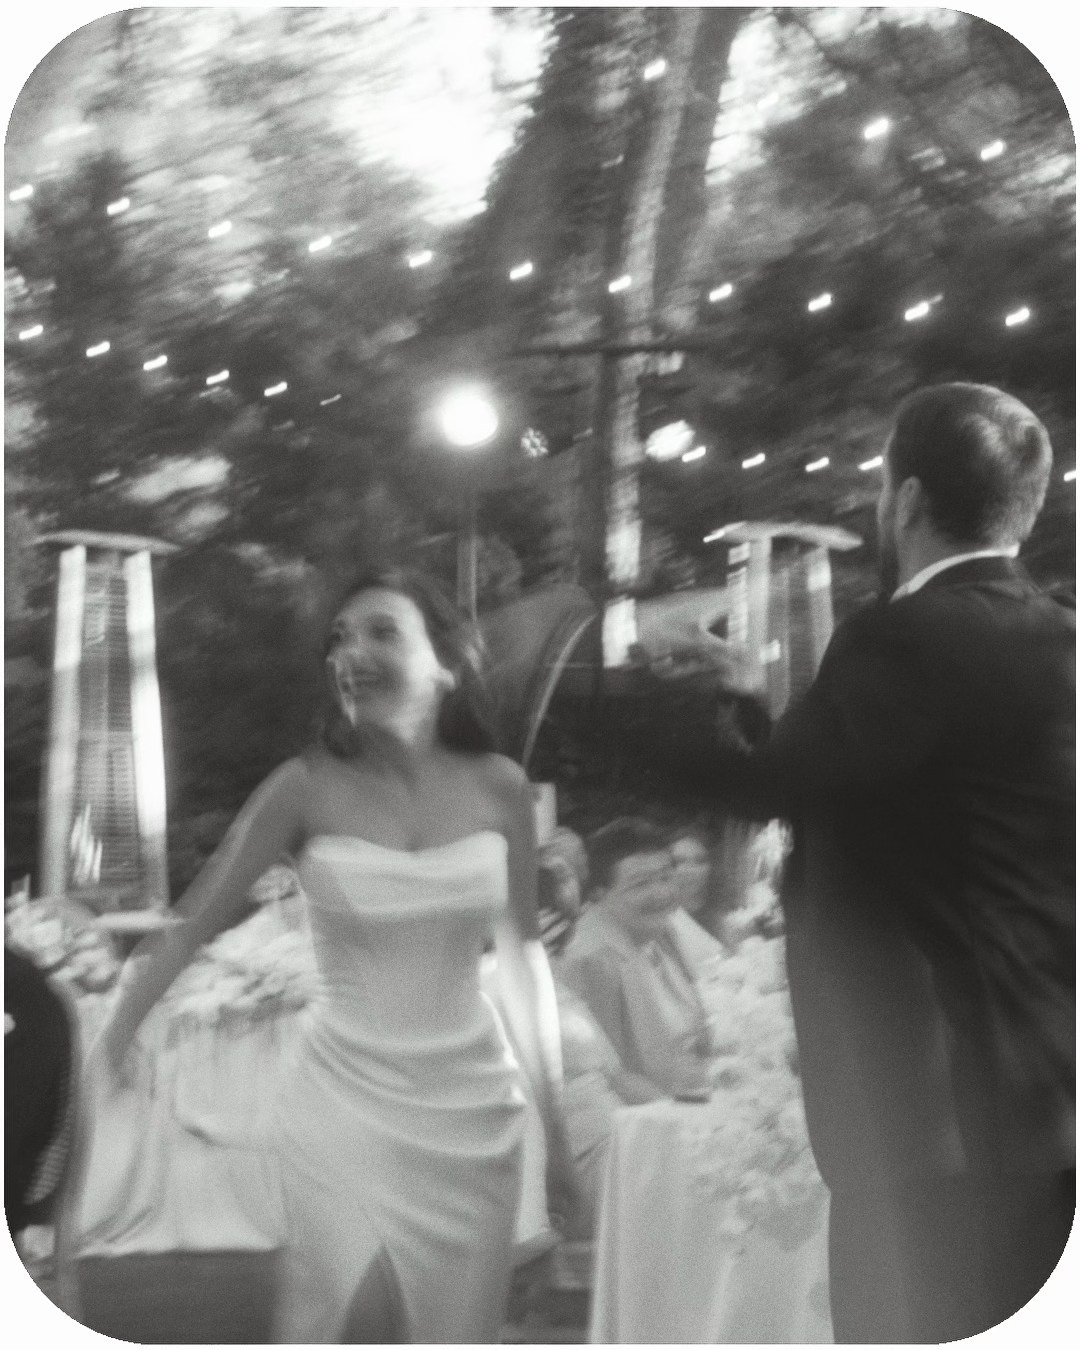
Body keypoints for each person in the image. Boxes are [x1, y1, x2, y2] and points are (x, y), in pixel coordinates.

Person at [637, 383, 1075, 1342]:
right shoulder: (1061, 637)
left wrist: (635, 697)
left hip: (925, 1111)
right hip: (1045, 1098)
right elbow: (883, 793)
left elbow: (776, 787)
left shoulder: (900, 635)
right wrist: (754, 701)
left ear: (904, 500)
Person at [89, 567, 582, 1344]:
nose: (351, 653)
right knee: (357, 1323)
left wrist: (555, 1135)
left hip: (474, 1116)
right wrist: (112, 1042)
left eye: (382, 631)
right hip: (343, 1107)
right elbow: (189, 925)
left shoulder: (501, 789)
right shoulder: (302, 788)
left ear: (446, 663)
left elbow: (522, 964)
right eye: (340, 639)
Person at [534, 837, 662, 1226]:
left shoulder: (559, 983)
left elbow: (616, 1075)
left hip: (618, 1132)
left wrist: (681, 1114)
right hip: (572, 1154)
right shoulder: (501, 988)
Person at [560, 818, 714, 1101]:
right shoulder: (594, 958)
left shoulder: (660, 933)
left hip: (695, 1088)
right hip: (653, 1114)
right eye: (641, 884)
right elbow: (614, 1078)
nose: (662, 893)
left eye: (666, 877)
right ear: (598, 893)